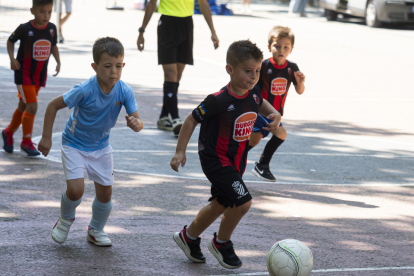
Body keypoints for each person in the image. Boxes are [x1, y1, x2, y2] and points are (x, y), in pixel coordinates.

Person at [170, 40, 281, 269]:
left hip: (236, 160)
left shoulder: (253, 95)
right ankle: (221, 243)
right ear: (230, 69)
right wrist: (180, 151)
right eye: (247, 71)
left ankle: (188, 237)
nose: (253, 77)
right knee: (243, 202)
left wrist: (275, 114)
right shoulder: (218, 100)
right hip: (215, 159)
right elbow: (191, 119)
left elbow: (261, 103)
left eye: (257, 71)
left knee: (221, 202)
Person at [37, 37, 144, 246]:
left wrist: (135, 124)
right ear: (95, 67)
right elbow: (52, 106)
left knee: (106, 194)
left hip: (101, 147)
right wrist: (46, 137)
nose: (114, 71)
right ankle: (65, 219)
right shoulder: (84, 89)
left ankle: (95, 230)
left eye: (118, 66)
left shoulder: (125, 91)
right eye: (107, 66)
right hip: (74, 144)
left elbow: (139, 122)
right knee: (76, 191)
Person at [137, 0, 219, 137]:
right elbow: (152, 3)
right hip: (167, 24)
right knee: (170, 74)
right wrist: (142, 31)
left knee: (177, 75)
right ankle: (175, 119)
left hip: (186, 24)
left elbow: (204, 4)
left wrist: (213, 32)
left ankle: (163, 117)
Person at [2, 0, 60, 157]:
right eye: (42, 11)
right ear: (32, 11)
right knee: (32, 106)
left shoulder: (52, 29)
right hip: (23, 74)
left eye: (49, 12)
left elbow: (53, 45)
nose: (46, 15)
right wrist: (12, 59)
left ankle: (8, 132)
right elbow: (10, 41)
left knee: (23, 106)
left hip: (38, 76)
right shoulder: (25, 28)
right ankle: (26, 141)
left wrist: (58, 61)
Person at [249, 26, 305, 182]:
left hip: (276, 115)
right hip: (263, 112)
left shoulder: (291, 68)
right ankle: (261, 166)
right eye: (277, 46)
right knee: (281, 134)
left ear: (291, 49)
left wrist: (300, 83)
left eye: (286, 47)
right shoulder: (264, 66)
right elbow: (253, 88)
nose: (281, 49)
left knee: (253, 141)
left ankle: (233, 159)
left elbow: (300, 91)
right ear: (269, 47)